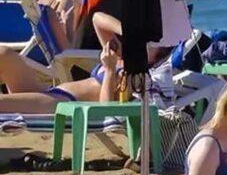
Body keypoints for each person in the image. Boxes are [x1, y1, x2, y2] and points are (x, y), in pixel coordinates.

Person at [0, 12, 168, 113]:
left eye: (150, 45)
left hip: (61, 104)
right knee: (4, 53)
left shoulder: (135, 76)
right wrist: (129, 32)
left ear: (154, 59)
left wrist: (109, 71)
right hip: (49, 91)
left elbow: (106, 110)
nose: (143, 43)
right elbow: (97, 18)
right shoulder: (120, 57)